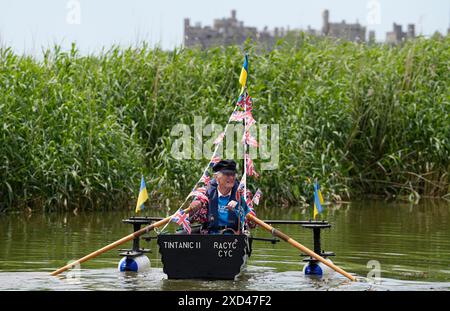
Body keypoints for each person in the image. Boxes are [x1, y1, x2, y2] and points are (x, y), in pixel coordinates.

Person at [189, 159, 254, 234]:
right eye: (227, 174)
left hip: (234, 239)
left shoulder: (244, 193)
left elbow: (252, 223)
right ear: (216, 177)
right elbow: (190, 219)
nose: (231, 177)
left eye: (233, 174)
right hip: (210, 238)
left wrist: (239, 207)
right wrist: (193, 209)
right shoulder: (204, 194)